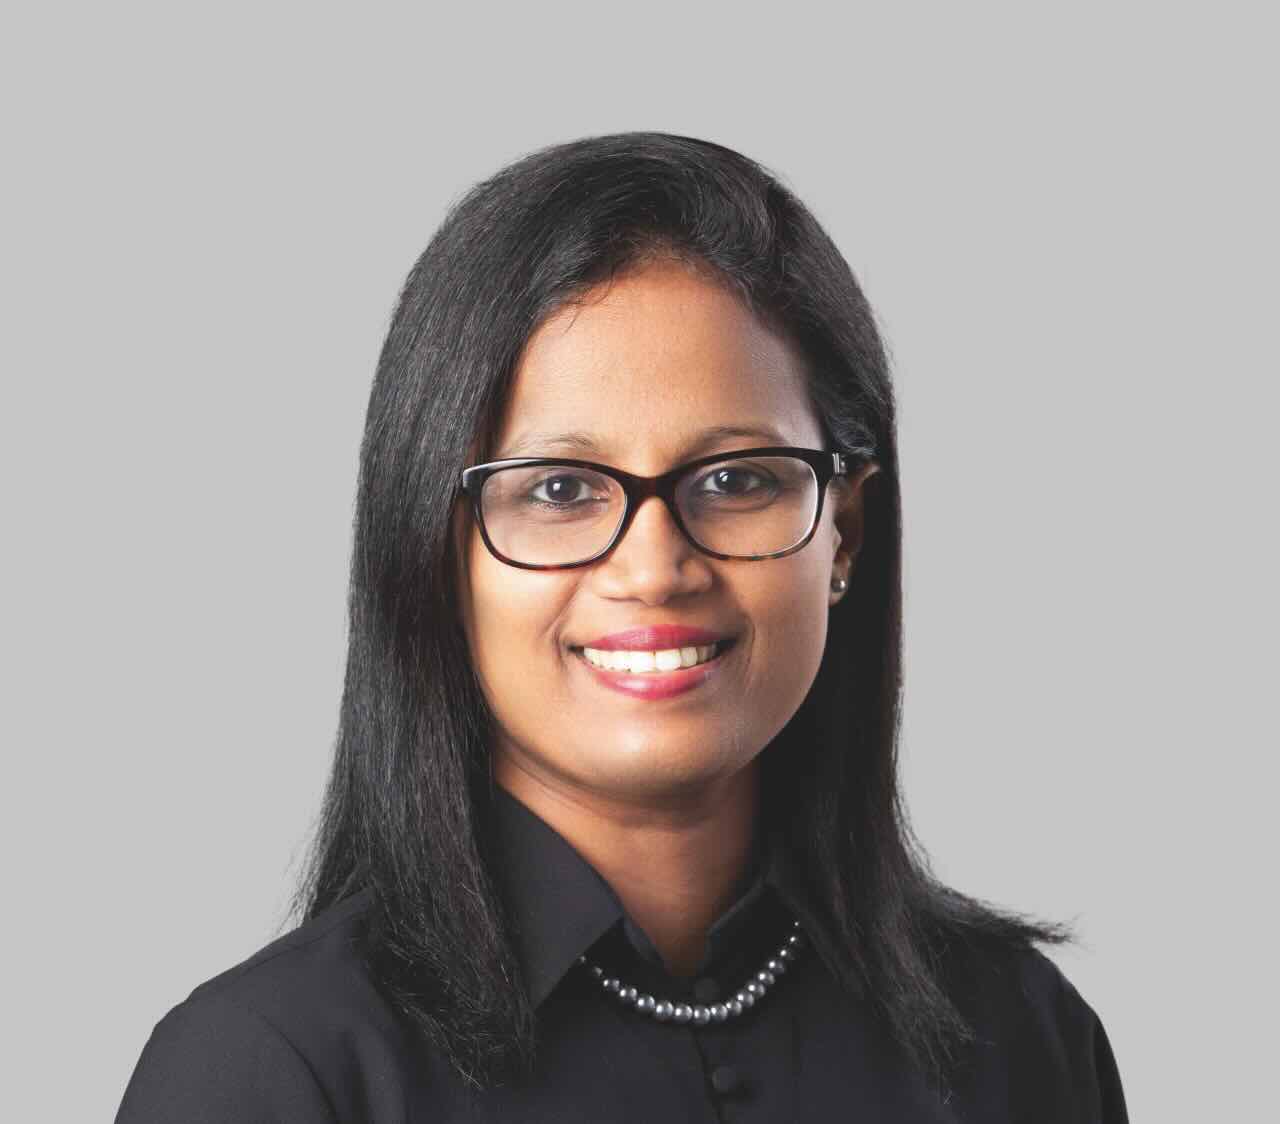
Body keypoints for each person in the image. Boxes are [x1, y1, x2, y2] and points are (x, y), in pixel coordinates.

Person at [115, 131, 1128, 1122]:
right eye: (558, 489)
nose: (653, 571)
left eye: (735, 480)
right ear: (434, 549)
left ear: (844, 534)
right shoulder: (274, 1072)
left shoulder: (1022, 1038)